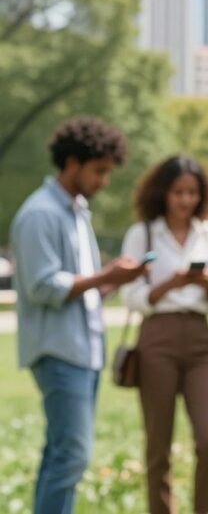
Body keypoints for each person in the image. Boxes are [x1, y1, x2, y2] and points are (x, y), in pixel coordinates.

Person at [11, 116, 145, 514]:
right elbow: (43, 286)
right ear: (72, 163)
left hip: (83, 349)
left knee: (61, 455)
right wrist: (106, 273)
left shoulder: (76, 211)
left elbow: (81, 288)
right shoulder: (41, 214)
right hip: (58, 350)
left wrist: (117, 280)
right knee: (72, 455)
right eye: (99, 170)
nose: (104, 180)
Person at [120, 155, 208, 514]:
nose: (185, 200)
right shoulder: (143, 233)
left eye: (193, 193)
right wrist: (171, 283)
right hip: (157, 337)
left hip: (200, 337)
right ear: (163, 192)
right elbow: (131, 295)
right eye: (178, 192)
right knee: (158, 445)